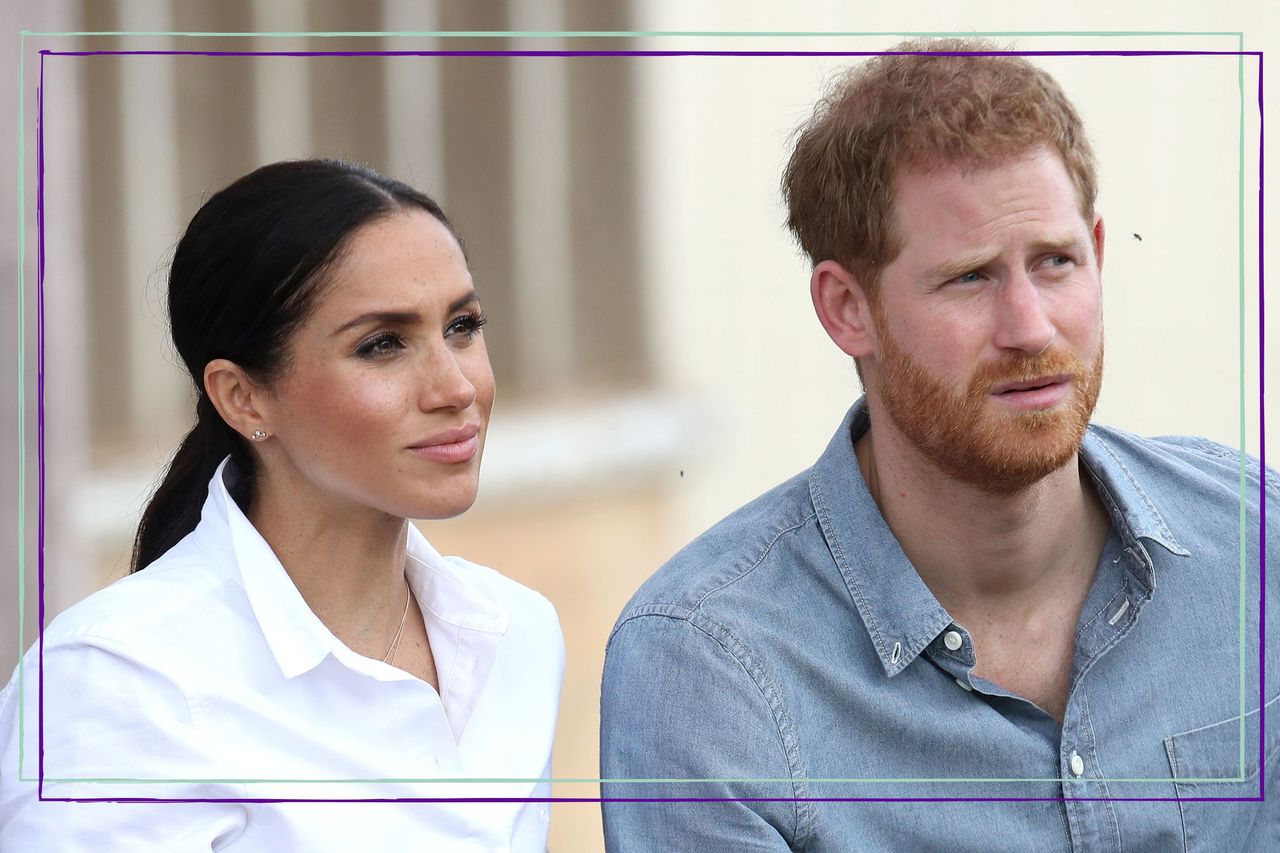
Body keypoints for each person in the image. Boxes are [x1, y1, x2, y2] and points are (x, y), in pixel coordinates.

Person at [600, 38, 1276, 850]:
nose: (1031, 327)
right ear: (847, 308)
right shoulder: (710, 670)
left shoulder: (1254, 546)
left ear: (1099, 253)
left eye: (1056, 263)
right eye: (971, 277)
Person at [0, 159, 564, 849]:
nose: (455, 387)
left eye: (463, 326)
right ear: (243, 396)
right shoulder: (120, 680)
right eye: (382, 344)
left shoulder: (515, 636)